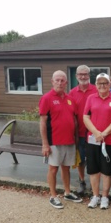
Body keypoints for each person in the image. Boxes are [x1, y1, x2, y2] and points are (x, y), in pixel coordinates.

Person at [39, 70, 83, 209]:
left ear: (66, 83)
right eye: (57, 80)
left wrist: (76, 139)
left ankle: (67, 192)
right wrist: (45, 144)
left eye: (62, 80)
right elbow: (42, 122)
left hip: (69, 141)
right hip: (54, 142)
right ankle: (53, 196)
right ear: (52, 82)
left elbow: (74, 121)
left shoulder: (70, 99)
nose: (60, 82)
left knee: (66, 169)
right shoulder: (47, 98)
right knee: (53, 169)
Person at [83, 73, 111, 209]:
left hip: (109, 141)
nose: (102, 85)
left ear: (110, 84)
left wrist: (104, 133)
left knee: (106, 171)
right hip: (93, 140)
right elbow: (85, 117)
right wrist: (96, 133)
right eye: (99, 83)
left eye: (105, 83)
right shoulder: (91, 98)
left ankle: (105, 196)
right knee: (93, 170)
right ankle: (95, 196)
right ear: (96, 84)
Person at [69, 65, 97, 194]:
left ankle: (93, 184)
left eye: (85, 74)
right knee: (80, 160)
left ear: (89, 75)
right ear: (76, 76)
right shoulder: (72, 93)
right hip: (79, 133)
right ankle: (82, 182)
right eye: (80, 74)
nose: (83, 76)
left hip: (94, 133)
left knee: (93, 160)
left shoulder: (97, 90)